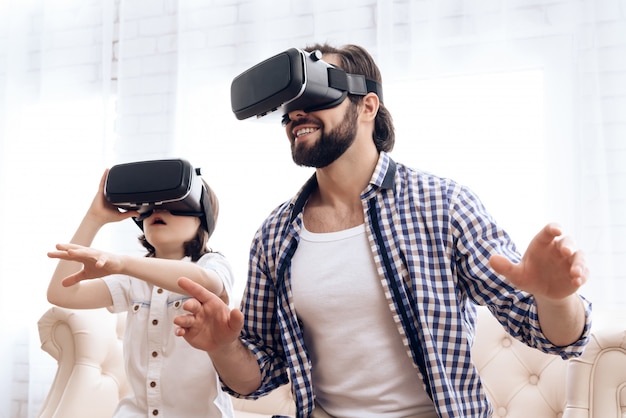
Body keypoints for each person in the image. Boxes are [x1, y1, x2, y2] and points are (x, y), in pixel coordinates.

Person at [173, 43, 592, 418]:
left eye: (315, 95)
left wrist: (556, 296)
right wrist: (223, 347)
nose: (295, 114)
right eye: (288, 109)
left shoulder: (442, 205)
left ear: (368, 106)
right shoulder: (275, 235)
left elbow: (559, 338)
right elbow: (255, 378)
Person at [46, 168, 235, 417]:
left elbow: (205, 283)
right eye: (151, 205)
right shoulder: (131, 279)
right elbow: (61, 294)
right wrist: (94, 218)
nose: (158, 210)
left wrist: (122, 263)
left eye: (172, 202)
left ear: (202, 217)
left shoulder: (211, 264)